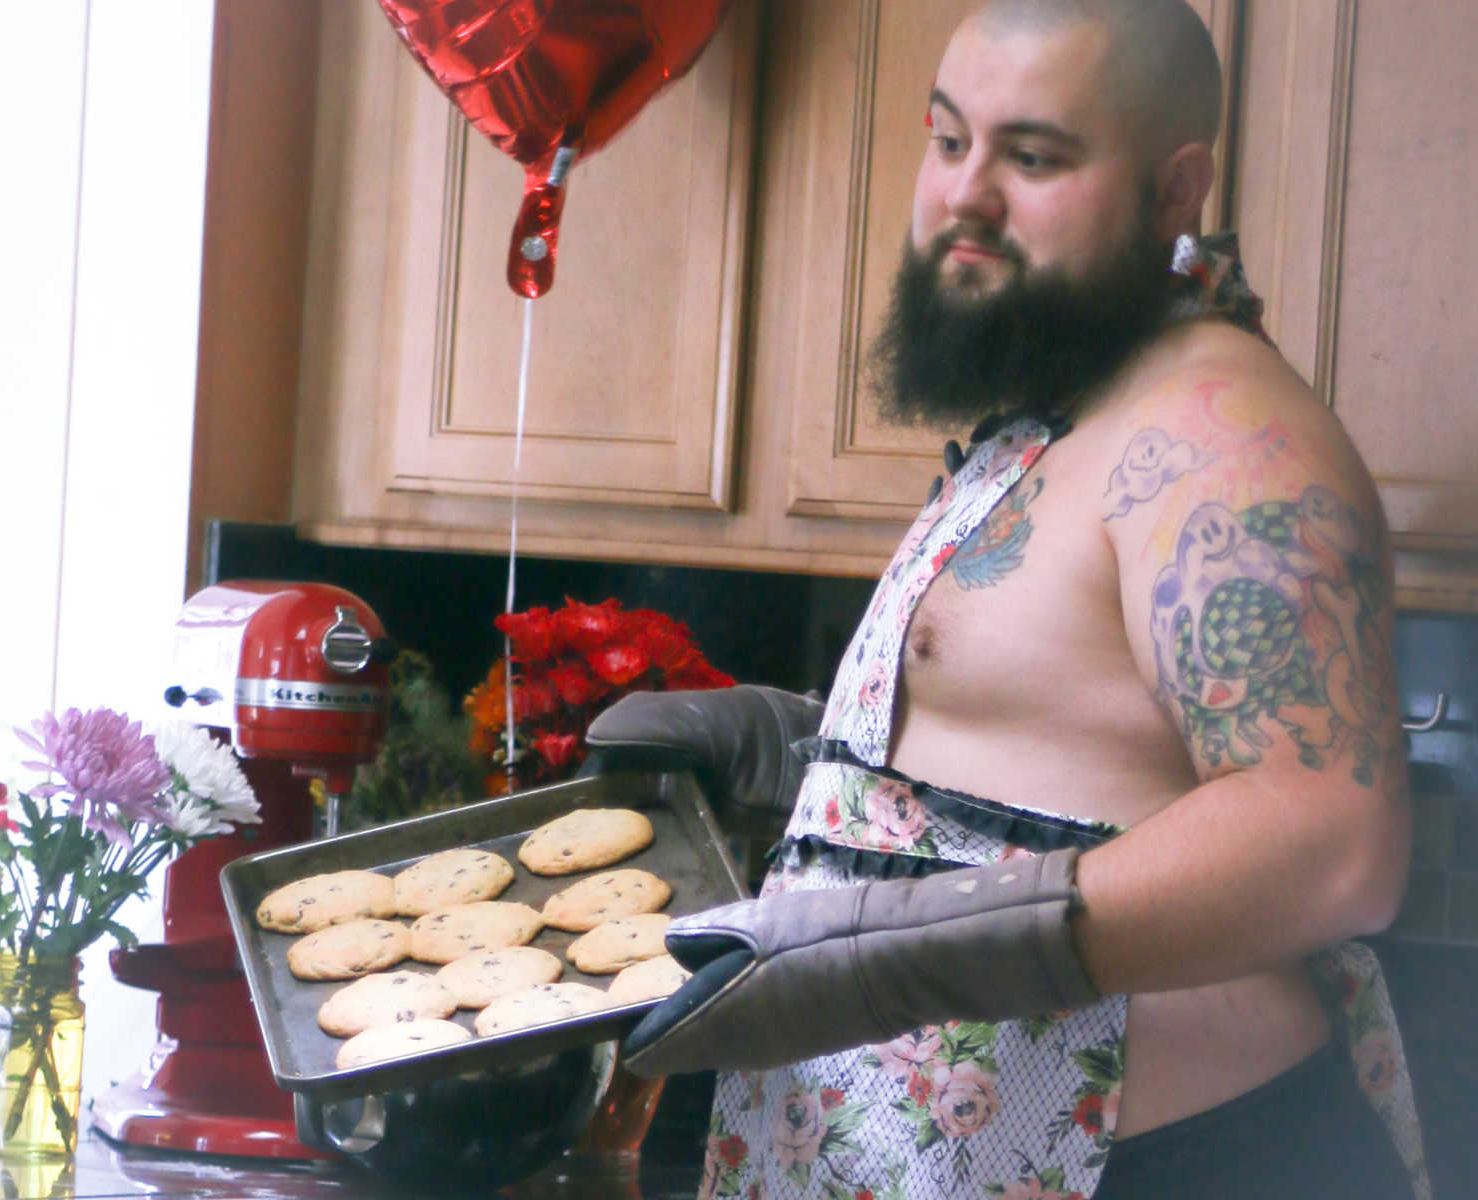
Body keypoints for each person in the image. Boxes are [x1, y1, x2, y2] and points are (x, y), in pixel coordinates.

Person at [587, 2, 1430, 1196]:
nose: (963, 197)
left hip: (1180, 1168)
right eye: (947, 142)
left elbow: (1329, 843)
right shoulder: (1063, 401)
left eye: (1031, 158)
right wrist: (790, 748)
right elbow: (1036, 747)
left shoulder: (1222, 437)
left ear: (1170, 190)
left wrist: (895, 956)